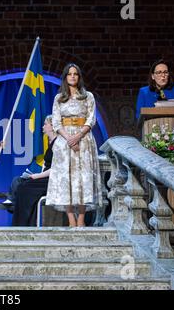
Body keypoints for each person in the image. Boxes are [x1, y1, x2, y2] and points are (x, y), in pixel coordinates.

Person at [45, 63, 102, 227]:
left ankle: (82, 219)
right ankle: (71, 219)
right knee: (67, 178)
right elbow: (56, 121)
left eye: (75, 74)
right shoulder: (59, 98)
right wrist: (68, 138)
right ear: (65, 77)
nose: (72, 76)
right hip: (64, 141)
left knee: (83, 178)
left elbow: (91, 119)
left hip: (83, 139)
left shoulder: (88, 96)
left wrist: (77, 136)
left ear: (79, 77)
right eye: (69, 74)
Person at [4, 115, 57, 226]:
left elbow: (57, 169)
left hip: (52, 180)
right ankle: (17, 210)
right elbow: (47, 165)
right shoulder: (51, 143)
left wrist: (37, 176)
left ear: (52, 126)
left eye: (45, 124)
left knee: (24, 188)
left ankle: (23, 222)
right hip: (45, 177)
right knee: (19, 181)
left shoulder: (58, 144)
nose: (43, 127)